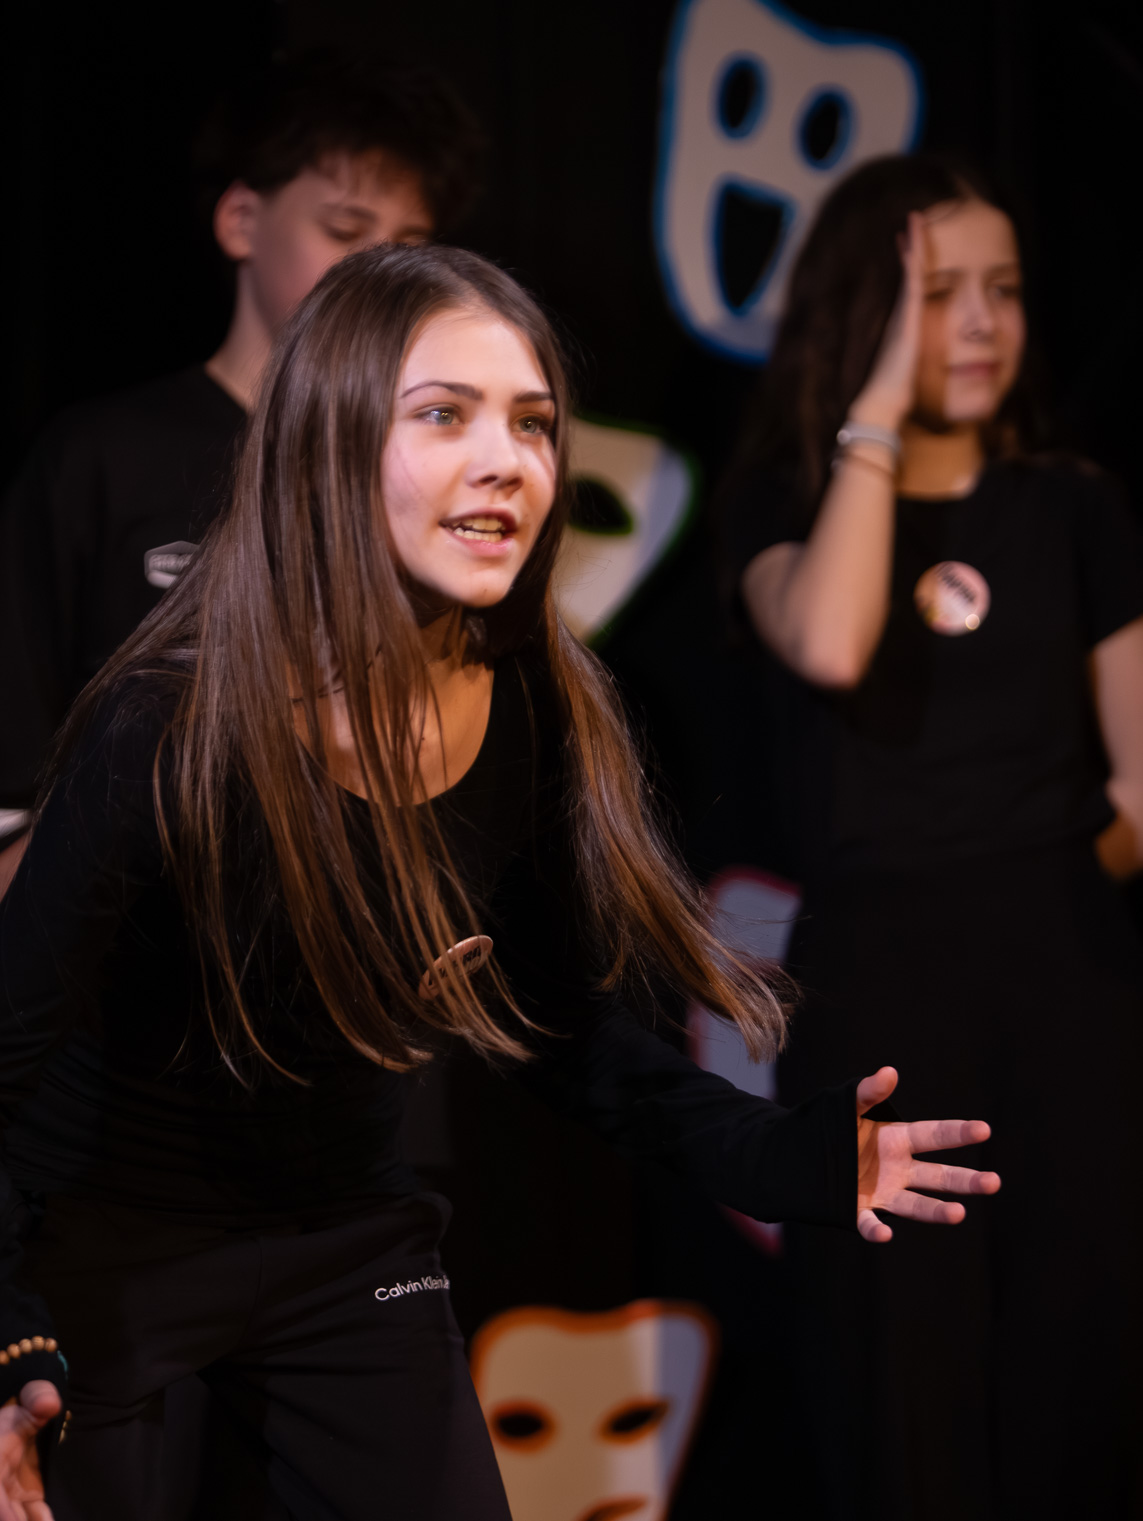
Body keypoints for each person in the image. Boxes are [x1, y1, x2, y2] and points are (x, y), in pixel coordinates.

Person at [0, 243, 999, 1521]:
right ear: (325, 449)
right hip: (102, 1246)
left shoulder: (526, 703)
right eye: (444, 415)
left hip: (343, 1243)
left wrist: (774, 1155)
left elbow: (554, 1029)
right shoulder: (168, 730)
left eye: (532, 422)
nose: (507, 461)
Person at [722, 155, 1143, 1520]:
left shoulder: (1073, 506)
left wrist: (1035, 899)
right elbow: (832, 643)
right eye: (939, 293)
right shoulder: (783, 506)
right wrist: (878, 416)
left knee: (1076, 1363)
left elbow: (1141, 784)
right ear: (870, 310)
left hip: (1068, 984)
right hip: (878, 997)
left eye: (1002, 291)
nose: (979, 324)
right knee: (896, 1374)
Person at [0, 50, 481, 891]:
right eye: (345, 231)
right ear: (240, 220)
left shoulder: (431, 469)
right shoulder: (103, 456)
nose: (377, 273)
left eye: (408, 247)